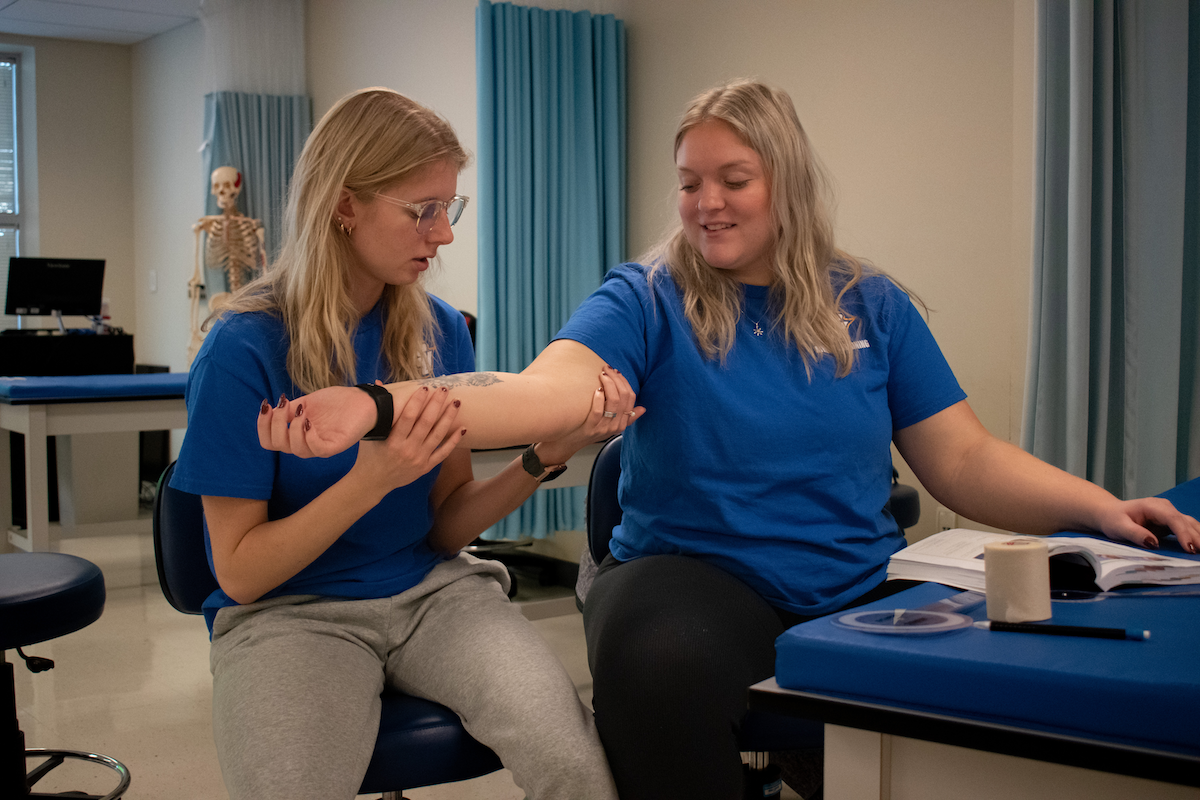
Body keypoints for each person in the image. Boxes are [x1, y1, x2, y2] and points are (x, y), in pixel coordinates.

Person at [259, 80, 1200, 800]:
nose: (707, 202)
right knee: (659, 665)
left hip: (854, 580)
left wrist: (1101, 506)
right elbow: (546, 391)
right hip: (693, 576)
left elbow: (963, 459)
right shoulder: (647, 297)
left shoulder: (868, 304)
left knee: (973, 698)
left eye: (733, 180)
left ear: (783, 182)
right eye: (689, 184)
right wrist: (385, 405)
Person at [169, 87, 633, 800]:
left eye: (450, 208)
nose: (443, 235)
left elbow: (445, 527)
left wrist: (544, 453)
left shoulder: (434, 329)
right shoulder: (244, 349)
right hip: (289, 617)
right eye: (423, 211)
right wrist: (373, 479)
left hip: (434, 596)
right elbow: (239, 574)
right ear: (345, 205)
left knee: (572, 762)